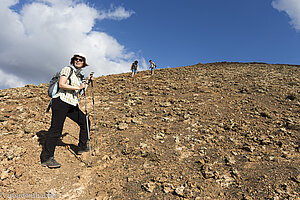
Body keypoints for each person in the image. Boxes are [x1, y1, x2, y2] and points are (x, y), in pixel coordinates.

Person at [40, 53, 91, 168]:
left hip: (72, 104)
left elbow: (78, 92)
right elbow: (61, 84)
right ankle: (46, 158)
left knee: (85, 122)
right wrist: (78, 87)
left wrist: (84, 85)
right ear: (73, 61)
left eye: (81, 60)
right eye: (76, 59)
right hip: (61, 101)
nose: (78, 61)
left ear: (83, 63)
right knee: (56, 129)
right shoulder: (67, 69)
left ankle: (82, 147)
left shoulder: (79, 76)